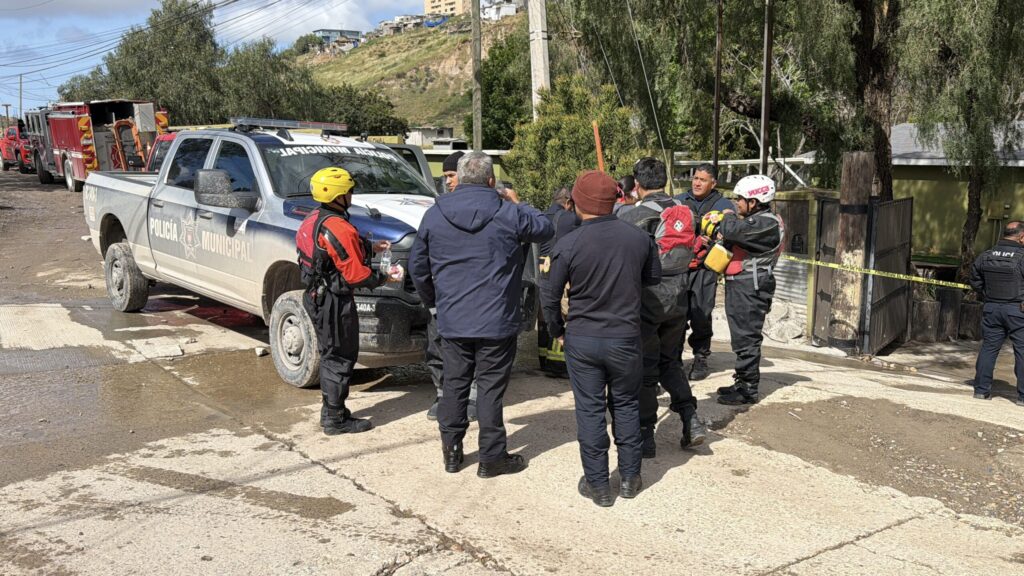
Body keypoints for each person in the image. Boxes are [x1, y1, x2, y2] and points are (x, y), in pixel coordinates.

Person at [410, 152, 554, 477]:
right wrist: (518, 202)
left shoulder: (434, 215)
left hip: (452, 318)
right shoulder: (508, 212)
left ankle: (451, 452)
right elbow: (545, 227)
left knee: (454, 385)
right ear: (491, 181)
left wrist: (434, 302)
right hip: (497, 320)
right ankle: (492, 458)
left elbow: (417, 267)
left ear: (457, 178)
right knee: (489, 388)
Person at [543, 170, 660, 506]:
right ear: (615, 201)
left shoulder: (568, 243)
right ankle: (629, 477)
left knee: (590, 410)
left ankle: (598, 485)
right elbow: (652, 279)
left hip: (582, 338)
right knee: (625, 404)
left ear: (577, 202)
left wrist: (557, 331)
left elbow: (550, 298)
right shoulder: (638, 238)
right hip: (625, 336)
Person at [297, 167, 396, 435]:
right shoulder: (338, 226)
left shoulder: (315, 218)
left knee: (331, 353)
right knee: (339, 356)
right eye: (349, 191)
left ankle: (331, 409)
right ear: (339, 195)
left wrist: (370, 247)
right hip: (333, 301)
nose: (352, 194)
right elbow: (357, 274)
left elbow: (331, 249)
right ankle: (335, 418)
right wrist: (385, 277)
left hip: (317, 295)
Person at [620, 157, 708, 458]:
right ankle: (690, 418)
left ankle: (646, 435)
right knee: (670, 362)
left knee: (645, 369)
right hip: (679, 297)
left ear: (637, 183)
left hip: (648, 299)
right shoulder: (686, 210)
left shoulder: (635, 215)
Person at [715, 174, 784, 405]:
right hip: (742, 284)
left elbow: (733, 230)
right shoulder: (756, 222)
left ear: (753, 202)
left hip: (751, 287)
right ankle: (741, 381)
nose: (736, 203)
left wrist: (725, 215)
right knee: (740, 337)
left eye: (740, 199)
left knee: (747, 338)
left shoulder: (767, 223)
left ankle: (748, 389)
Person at [425, 150, 477, 421]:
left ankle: (473, 398)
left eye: (451, 175)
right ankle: (442, 396)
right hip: (444, 294)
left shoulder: (482, 209)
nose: (447, 181)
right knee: (437, 346)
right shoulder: (438, 210)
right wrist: (430, 300)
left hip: (472, 295)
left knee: (474, 351)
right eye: (444, 176)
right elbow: (420, 259)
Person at [680, 164, 734, 381]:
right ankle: (673, 356)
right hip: (681, 267)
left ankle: (700, 356)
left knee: (701, 313)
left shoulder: (723, 205)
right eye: (695, 178)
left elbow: (731, 234)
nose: (697, 183)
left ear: (713, 183)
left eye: (702, 179)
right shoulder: (681, 200)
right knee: (677, 313)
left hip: (705, 269)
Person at [969, 221, 1024, 407]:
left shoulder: (986, 255)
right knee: (1022, 351)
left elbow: (975, 280)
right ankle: (1023, 397)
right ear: (1022, 237)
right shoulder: (1022, 256)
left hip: (992, 308)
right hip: (1018, 311)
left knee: (989, 349)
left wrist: (987, 295)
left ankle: (981, 390)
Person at [537, 186, 579, 377]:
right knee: (561, 315)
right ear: (568, 202)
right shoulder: (567, 218)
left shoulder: (541, 217)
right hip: (557, 273)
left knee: (544, 318)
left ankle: (544, 359)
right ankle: (558, 364)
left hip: (541, 272)